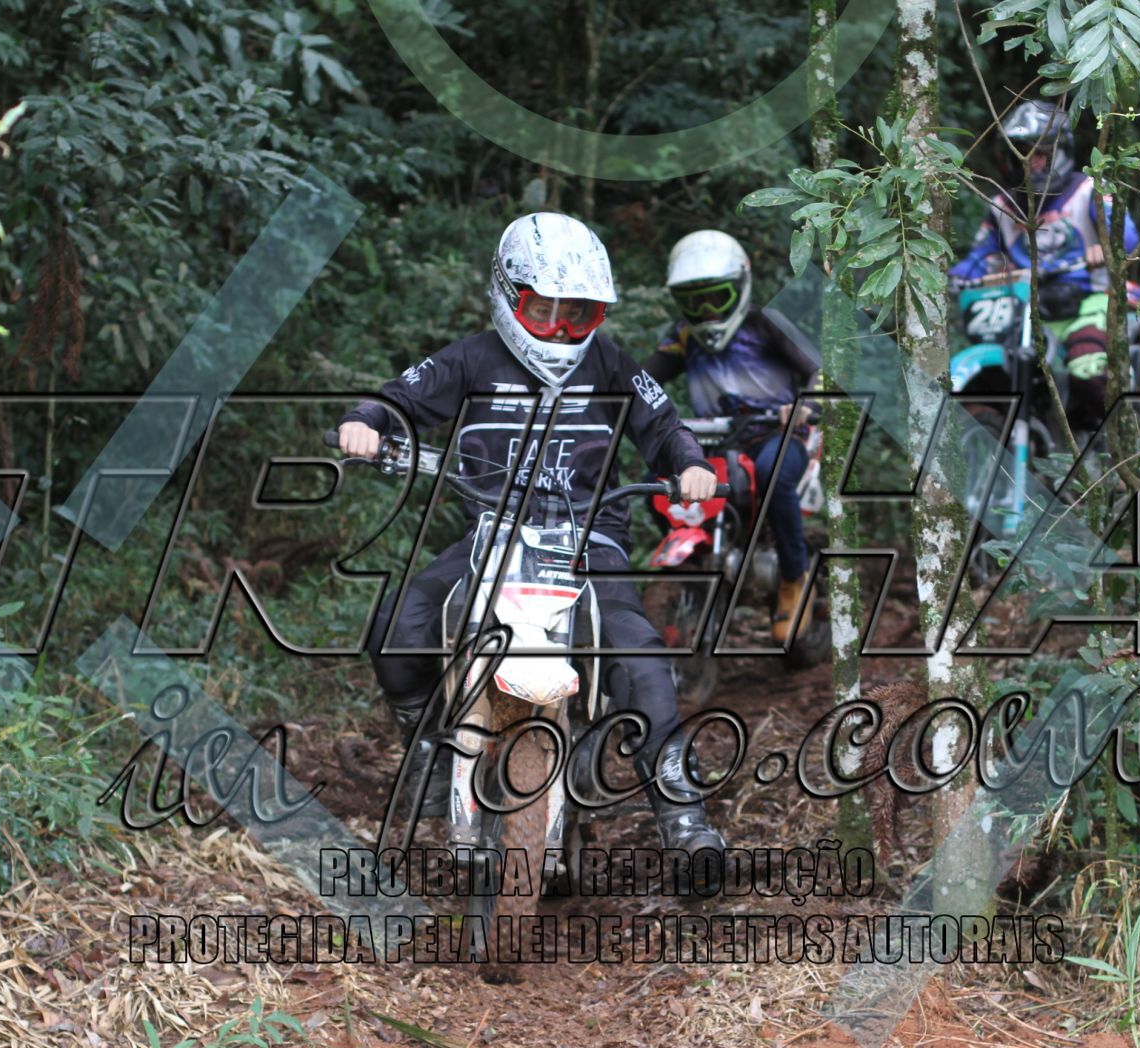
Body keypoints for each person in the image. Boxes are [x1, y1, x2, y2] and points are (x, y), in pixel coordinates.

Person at [333, 212, 727, 865]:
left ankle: (683, 818)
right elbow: (399, 398)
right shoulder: (471, 359)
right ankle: (429, 753)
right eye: (544, 310)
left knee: (641, 658)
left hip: (590, 542)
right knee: (397, 624)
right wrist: (366, 423)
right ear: (508, 295)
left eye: (579, 314)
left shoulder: (609, 363)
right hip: (491, 535)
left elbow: (663, 425)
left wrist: (690, 465)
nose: (562, 329)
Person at [642, 230, 821, 645]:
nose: (706, 311)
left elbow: (817, 368)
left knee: (771, 473)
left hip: (777, 436)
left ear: (739, 288)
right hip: (712, 443)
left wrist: (805, 406)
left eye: (716, 298)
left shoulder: (766, 324)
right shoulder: (683, 335)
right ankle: (701, 561)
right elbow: (643, 381)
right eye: (695, 302)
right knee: (657, 479)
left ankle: (793, 576)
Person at [948, 101, 1140, 439]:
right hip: (1028, 309)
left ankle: (1131, 440)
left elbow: (1127, 236)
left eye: (1040, 153)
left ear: (1060, 151)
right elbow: (982, 255)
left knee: (1087, 364)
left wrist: (1107, 247)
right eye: (1022, 152)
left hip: (1093, 296)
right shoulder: (1004, 205)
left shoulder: (1090, 189)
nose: (1031, 161)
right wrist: (957, 275)